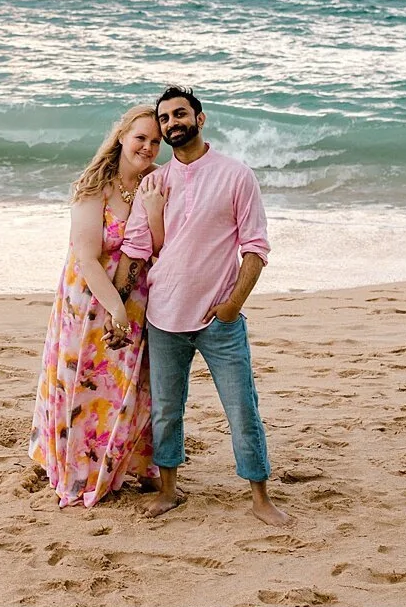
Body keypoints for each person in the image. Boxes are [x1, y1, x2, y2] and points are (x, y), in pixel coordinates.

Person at [120, 86, 289, 526]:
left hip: (220, 319)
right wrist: (113, 304)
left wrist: (233, 305)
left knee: (241, 408)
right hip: (164, 316)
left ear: (200, 118)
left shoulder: (236, 176)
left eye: (180, 114)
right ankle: (170, 492)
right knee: (166, 410)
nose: (172, 123)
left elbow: (255, 247)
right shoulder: (155, 183)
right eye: (165, 118)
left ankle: (260, 497)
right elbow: (136, 250)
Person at [28, 105, 168, 508]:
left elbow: (159, 249)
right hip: (88, 299)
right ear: (122, 135)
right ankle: (80, 469)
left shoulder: (156, 183)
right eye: (141, 137)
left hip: (137, 296)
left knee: (129, 384)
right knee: (85, 381)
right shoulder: (95, 186)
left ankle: (128, 464)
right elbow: (87, 258)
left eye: (155, 141)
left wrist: (156, 212)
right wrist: (115, 309)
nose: (147, 147)